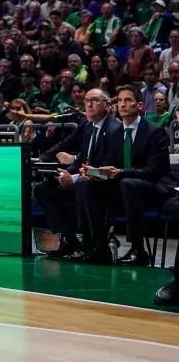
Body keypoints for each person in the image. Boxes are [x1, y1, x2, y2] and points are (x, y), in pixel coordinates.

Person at [33, 89, 122, 261]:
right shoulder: (87, 125)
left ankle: (99, 246)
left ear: (107, 105)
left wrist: (72, 178)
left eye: (94, 100)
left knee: (82, 185)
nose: (89, 104)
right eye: (87, 101)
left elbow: (107, 166)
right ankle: (70, 241)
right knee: (43, 188)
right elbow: (66, 144)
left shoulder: (116, 129)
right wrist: (41, 159)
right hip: (83, 180)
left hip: (105, 185)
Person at [108, 85, 172, 265]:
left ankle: (138, 250)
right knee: (88, 184)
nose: (122, 104)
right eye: (120, 101)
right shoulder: (114, 133)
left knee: (128, 183)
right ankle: (96, 243)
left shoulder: (154, 132)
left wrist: (121, 172)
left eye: (128, 100)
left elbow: (154, 171)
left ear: (140, 105)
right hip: (125, 187)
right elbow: (110, 163)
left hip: (155, 187)